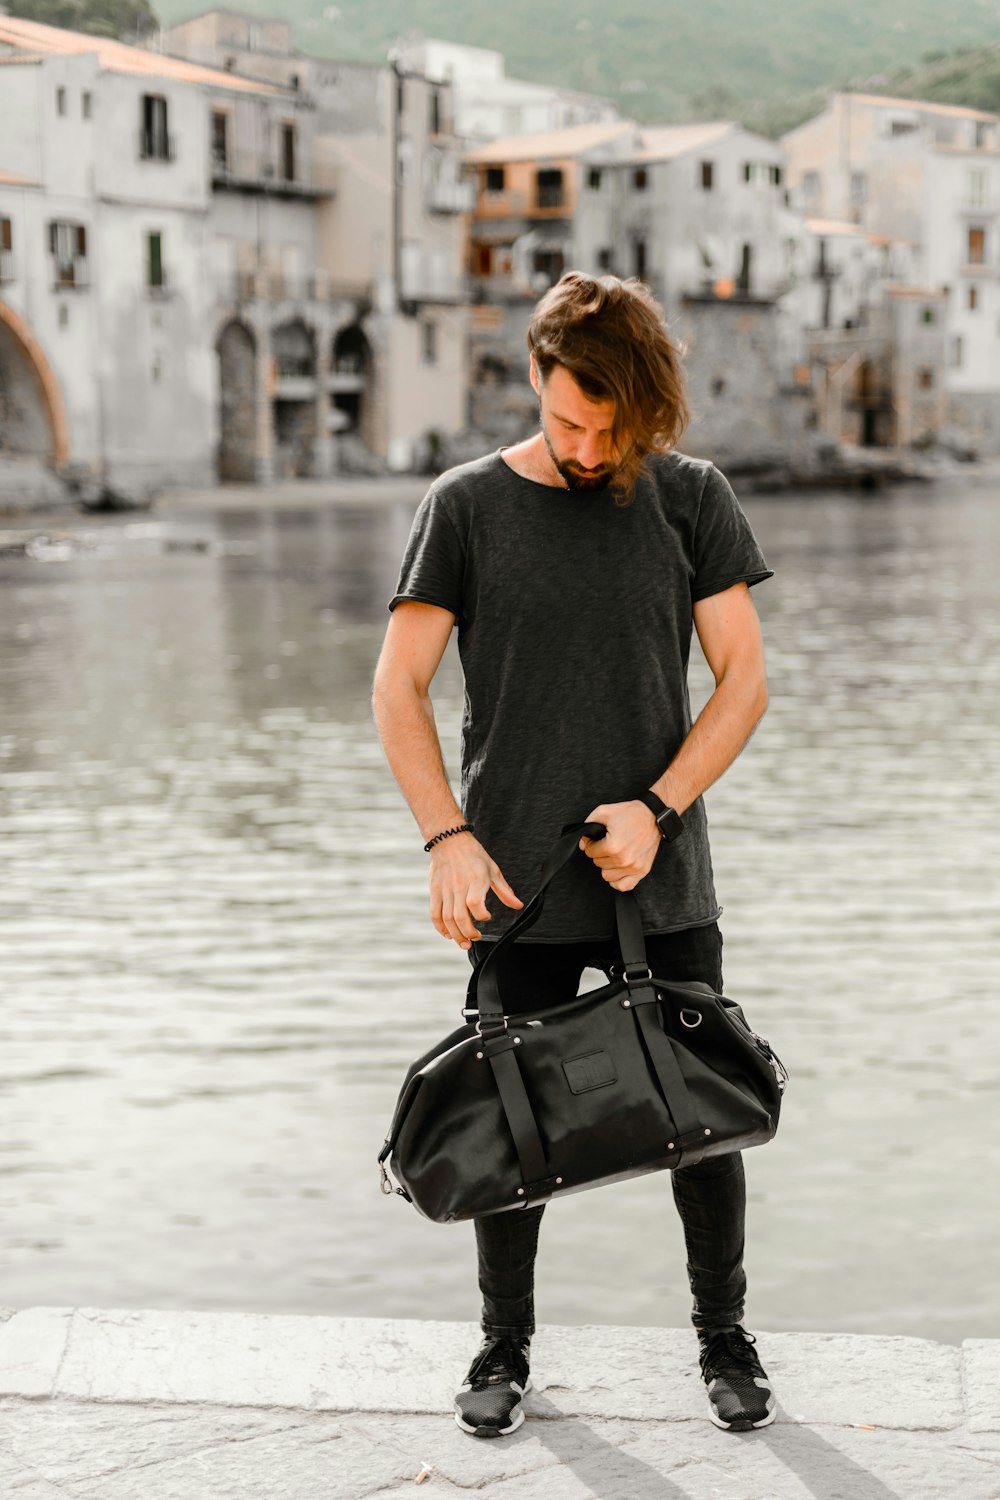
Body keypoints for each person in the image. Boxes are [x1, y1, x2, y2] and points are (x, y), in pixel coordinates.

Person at [372, 271, 776, 1439]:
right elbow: (397, 684)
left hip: (661, 871)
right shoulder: (465, 506)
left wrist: (658, 803)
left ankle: (723, 1338)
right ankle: (503, 1344)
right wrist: (445, 837)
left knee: (701, 1115)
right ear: (534, 383)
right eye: (564, 421)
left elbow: (743, 680)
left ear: (647, 407)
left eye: (611, 427)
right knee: (510, 1116)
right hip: (513, 876)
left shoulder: (691, 499)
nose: (587, 447)